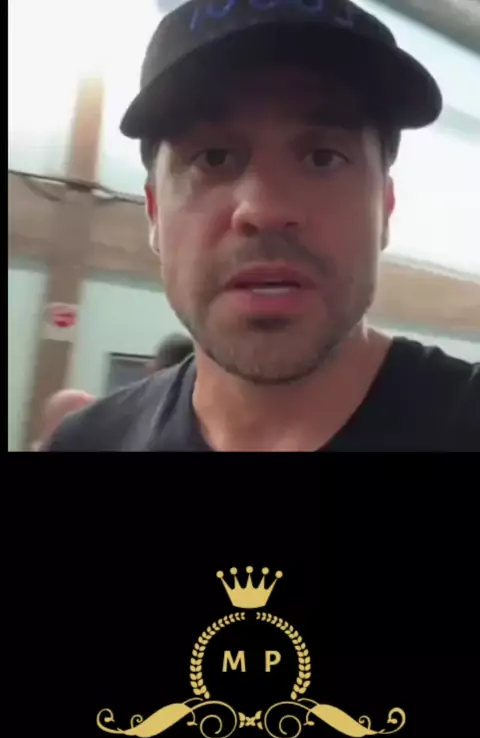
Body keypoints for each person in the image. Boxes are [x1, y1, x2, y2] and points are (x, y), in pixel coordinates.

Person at [42, 0, 479, 452]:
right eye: (213, 157)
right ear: (153, 212)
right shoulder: (85, 444)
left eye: (323, 157)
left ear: (384, 208)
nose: (265, 210)